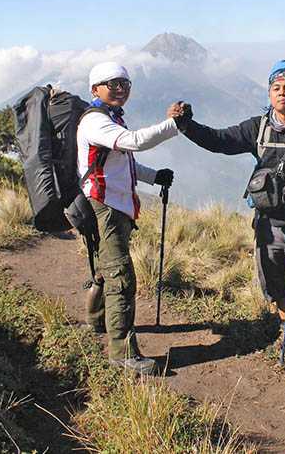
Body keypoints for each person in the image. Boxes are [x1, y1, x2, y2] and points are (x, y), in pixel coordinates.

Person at [174, 68, 285, 343]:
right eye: (276, 88)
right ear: (269, 94)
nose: (283, 93)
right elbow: (221, 141)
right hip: (266, 222)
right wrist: (187, 125)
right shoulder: (259, 127)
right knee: (275, 281)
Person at [78, 61, 185, 374]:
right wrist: (173, 124)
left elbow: (120, 164)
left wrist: (154, 177)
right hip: (106, 207)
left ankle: (97, 322)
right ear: (95, 88)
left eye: (124, 84)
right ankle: (122, 351)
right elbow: (134, 142)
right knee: (121, 277)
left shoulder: (111, 118)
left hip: (110, 205)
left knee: (105, 269)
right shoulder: (95, 121)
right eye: (112, 84)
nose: (120, 89)